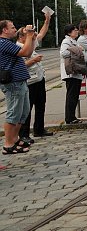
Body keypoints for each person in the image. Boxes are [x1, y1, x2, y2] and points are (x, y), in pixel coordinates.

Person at [1, 20, 37, 155]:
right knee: (14, 112)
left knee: (23, 112)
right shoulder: (3, 43)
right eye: (12, 27)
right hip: (13, 82)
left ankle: (14, 139)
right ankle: (8, 144)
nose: (14, 30)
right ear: (4, 30)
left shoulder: (8, 43)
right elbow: (25, 52)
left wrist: (31, 39)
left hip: (20, 81)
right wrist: (28, 35)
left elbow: (28, 51)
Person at [19, 11, 53, 141]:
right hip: (29, 82)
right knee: (27, 108)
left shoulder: (31, 44)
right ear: (23, 36)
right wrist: (33, 60)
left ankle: (39, 129)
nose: (34, 35)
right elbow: (20, 66)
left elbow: (42, 33)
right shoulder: (19, 47)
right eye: (30, 33)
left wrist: (47, 21)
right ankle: (24, 134)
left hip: (38, 79)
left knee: (41, 105)